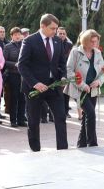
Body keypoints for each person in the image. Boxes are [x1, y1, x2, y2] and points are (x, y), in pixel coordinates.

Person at [18, 14, 68, 152]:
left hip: (54, 87)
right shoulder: (29, 41)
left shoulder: (57, 41)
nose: (55, 31)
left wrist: (63, 77)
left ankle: (63, 150)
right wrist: (35, 83)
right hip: (34, 88)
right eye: (52, 28)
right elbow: (22, 65)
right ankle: (35, 151)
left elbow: (62, 63)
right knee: (33, 121)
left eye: (56, 28)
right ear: (43, 26)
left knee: (60, 118)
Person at [64, 29, 104, 148]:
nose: (95, 44)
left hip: (93, 90)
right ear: (85, 41)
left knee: (87, 116)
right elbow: (69, 71)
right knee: (91, 114)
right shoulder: (75, 52)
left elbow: (103, 72)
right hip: (79, 89)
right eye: (92, 41)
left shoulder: (97, 53)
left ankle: (81, 145)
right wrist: (82, 85)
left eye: (96, 42)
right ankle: (92, 144)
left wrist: (99, 81)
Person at [3, 27, 26, 127]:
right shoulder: (7, 47)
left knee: (23, 98)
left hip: (24, 75)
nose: (17, 36)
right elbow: (4, 61)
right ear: (11, 36)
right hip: (13, 75)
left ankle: (21, 119)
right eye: (15, 34)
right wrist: (14, 64)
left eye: (19, 34)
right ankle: (13, 120)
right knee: (14, 98)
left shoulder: (25, 45)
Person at [57, 27, 73, 119]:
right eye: (60, 33)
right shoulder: (54, 42)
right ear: (57, 34)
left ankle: (66, 111)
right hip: (56, 70)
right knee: (57, 93)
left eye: (63, 33)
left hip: (66, 70)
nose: (62, 35)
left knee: (66, 93)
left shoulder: (69, 45)